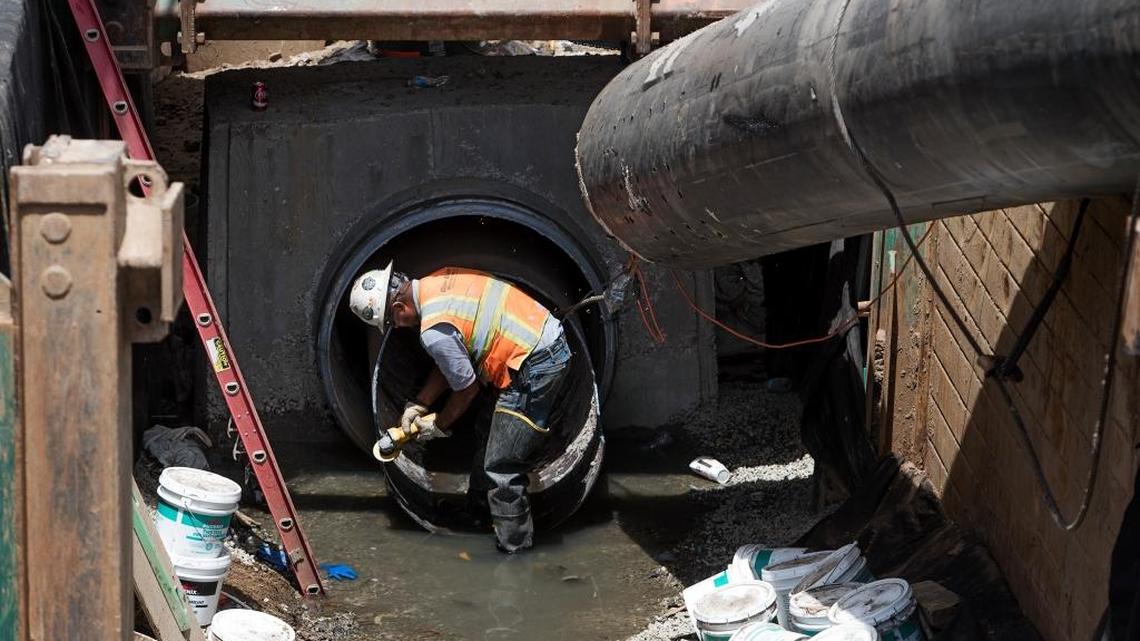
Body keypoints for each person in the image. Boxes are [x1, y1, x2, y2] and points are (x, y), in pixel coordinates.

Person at [348, 262, 572, 553]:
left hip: (535, 363)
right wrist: (420, 403)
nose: (399, 327)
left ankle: (515, 551)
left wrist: (439, 424)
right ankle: (479, 512)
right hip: (539, 339)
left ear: (399, 307)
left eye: (393, 322)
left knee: (501, 465)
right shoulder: (440, 278)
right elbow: (453, 358)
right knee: (488, 427)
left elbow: (467, 388)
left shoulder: (432, 330)